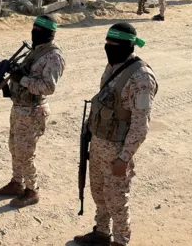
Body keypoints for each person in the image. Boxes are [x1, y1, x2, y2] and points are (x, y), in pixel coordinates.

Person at [73, 23, 157, 246]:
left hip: (117, 150)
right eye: (107, 43)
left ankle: (121, 241)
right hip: (99, 143)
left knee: (117, 200)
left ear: (129, 45)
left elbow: (140, 124)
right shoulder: (112, 66)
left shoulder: (141, 78)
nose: (109, 48)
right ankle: (101, 233)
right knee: (99, 193)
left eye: (114, 44)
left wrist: (124, 158)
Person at [0, 15, 66, 207]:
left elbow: (48, 87)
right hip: (19, 107)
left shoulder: (53, 56)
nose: (34, 33)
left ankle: (32, 189)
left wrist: (22, 79)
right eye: (33, 29)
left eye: (39, 31)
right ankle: (17, 182)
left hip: (34, 110)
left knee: (25, 152)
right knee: (14, 147)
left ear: (50, 34)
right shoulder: (36, 51)